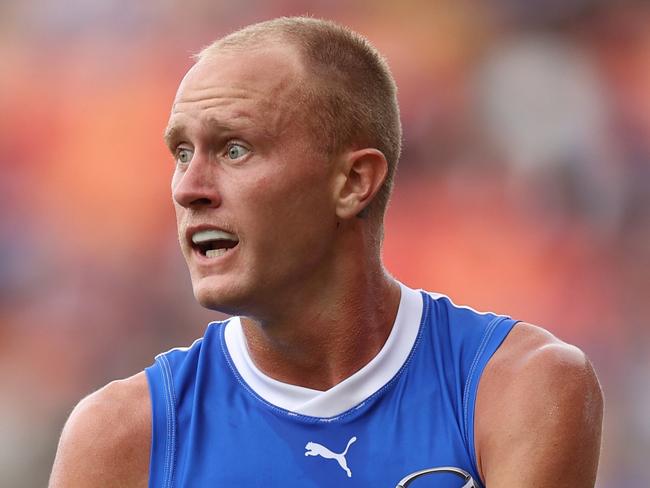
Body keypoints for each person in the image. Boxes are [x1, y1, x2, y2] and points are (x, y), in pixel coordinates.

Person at [49, 17, 603, 487]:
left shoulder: (515, 388)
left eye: (234, 149)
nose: (187, 188)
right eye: (182, 152)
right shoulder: (122, 439)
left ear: (352, 183)